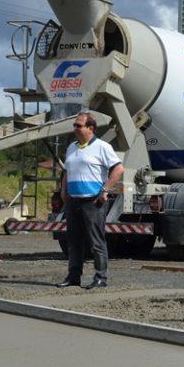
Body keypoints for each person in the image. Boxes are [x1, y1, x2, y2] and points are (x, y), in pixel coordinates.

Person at [56, 112, 124, 290]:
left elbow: (118, 168)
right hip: (73, 201)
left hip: (93, 201)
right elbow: (67, 171)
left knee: (96, 241)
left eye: (79, 125)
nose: (75, 128)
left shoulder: (102, 147)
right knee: (74, 241)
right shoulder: (72, 147)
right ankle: (73, 277)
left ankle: (100, 278)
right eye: (75, 125)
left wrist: (105, 189)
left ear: (90, 129)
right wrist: (63, 191)